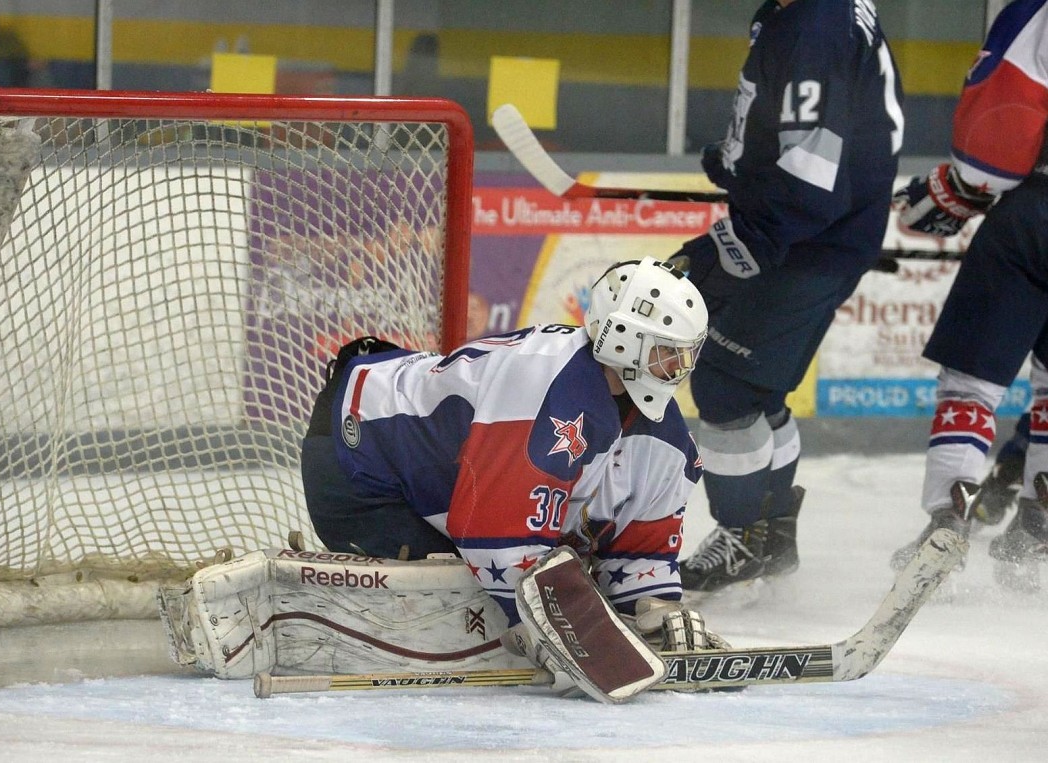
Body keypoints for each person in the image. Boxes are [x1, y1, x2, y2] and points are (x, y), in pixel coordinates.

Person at [299, 258, 715, 699]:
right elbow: (497, 539)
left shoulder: (667, 439)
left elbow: (640, 552)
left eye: (686, 354)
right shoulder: (544, 383)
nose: (679, 367)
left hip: (442, 483)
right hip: (359, 460)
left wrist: (651, 609)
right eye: (666, 351)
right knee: (465, 610)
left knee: (545, 591)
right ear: (622, 338)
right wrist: (560, 623)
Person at [667, 0, 905, 594]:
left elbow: (809, 183)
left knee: (725, 383)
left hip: (805, 241)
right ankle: (768, 537)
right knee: (757, 388)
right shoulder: (809, 14)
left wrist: (737, 243)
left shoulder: (811, 27)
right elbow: (810, 132)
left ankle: (743, 534)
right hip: (820, 235)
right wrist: (739, 161)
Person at [889, 0, 1048, 591]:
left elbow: (998, 136)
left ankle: (947, 524)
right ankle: (1036, 530)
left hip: (1037, 216)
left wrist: (955, 190)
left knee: (971, 385)